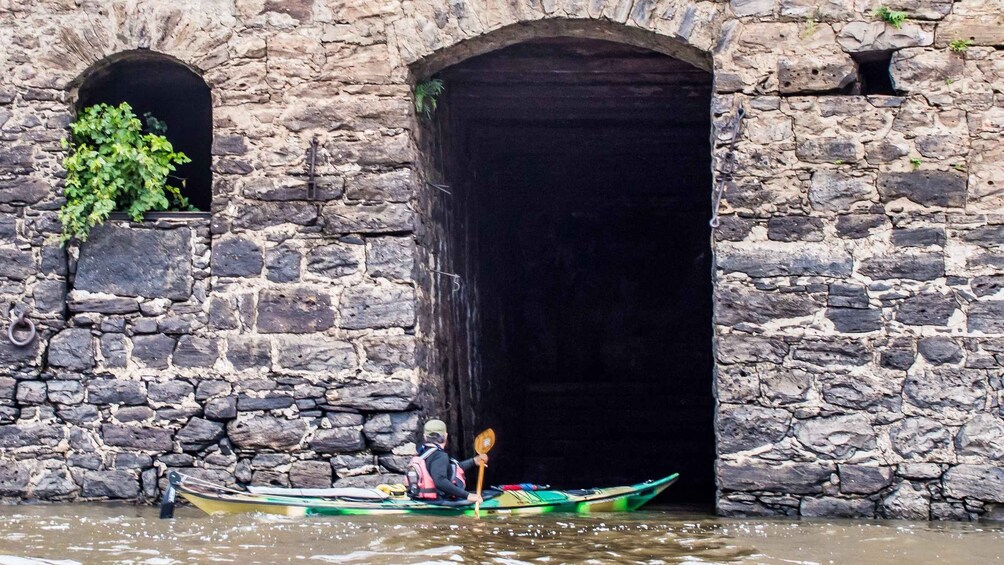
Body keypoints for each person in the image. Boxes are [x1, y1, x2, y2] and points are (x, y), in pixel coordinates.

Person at [406, 419, 489, 504]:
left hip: (420, 499)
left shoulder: (422, 453)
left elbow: (452, 469)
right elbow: (440, 481)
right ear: (445, 436)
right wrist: (468, 495)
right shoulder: (439, 456)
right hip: (437, 501)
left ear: (425, 437)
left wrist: (473, 461)